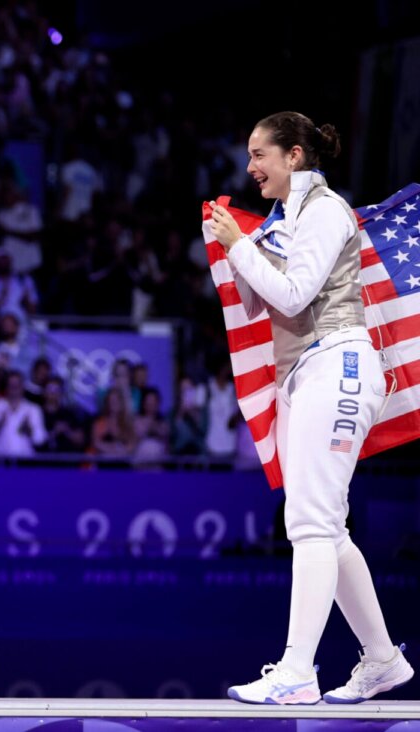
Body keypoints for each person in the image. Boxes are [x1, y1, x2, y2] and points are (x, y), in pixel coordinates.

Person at [211, 111, 412, 705]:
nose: (251, 168)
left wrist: (239, 246)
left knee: (311, 525)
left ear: (294, 156)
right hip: (305, 373)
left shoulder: (325, 210)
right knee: (324, 525)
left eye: (259, 155)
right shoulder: (284, 219)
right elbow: (258, 302)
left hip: (339, 363)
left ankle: (298, 671)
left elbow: (295, 295)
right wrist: (241, 246)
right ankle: (381, 660)